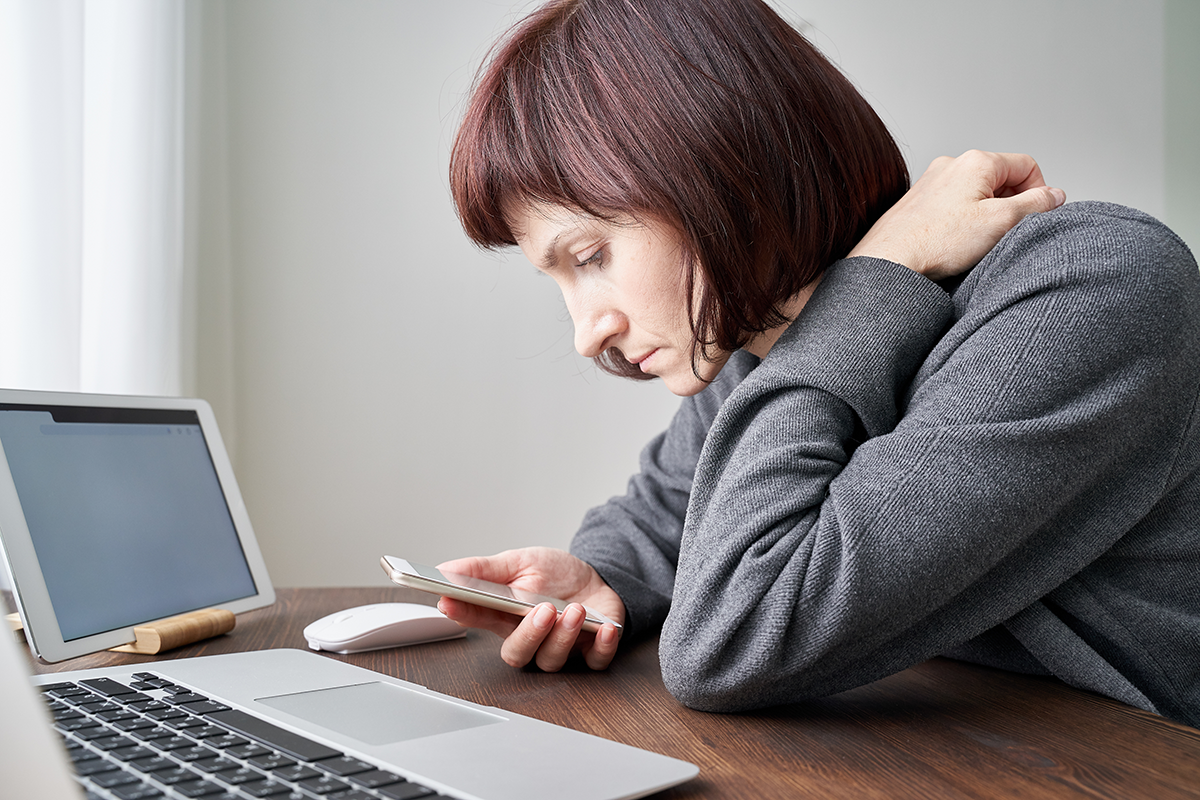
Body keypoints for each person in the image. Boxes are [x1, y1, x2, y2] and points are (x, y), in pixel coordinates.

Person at [437, 0, 1200, 726]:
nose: (586, 330)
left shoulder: (1090, 289)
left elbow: (732, 640)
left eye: (592, 254)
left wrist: (878, 276)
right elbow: (662, 512)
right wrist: (609, 578)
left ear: (718, 169)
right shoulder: (774, 339)